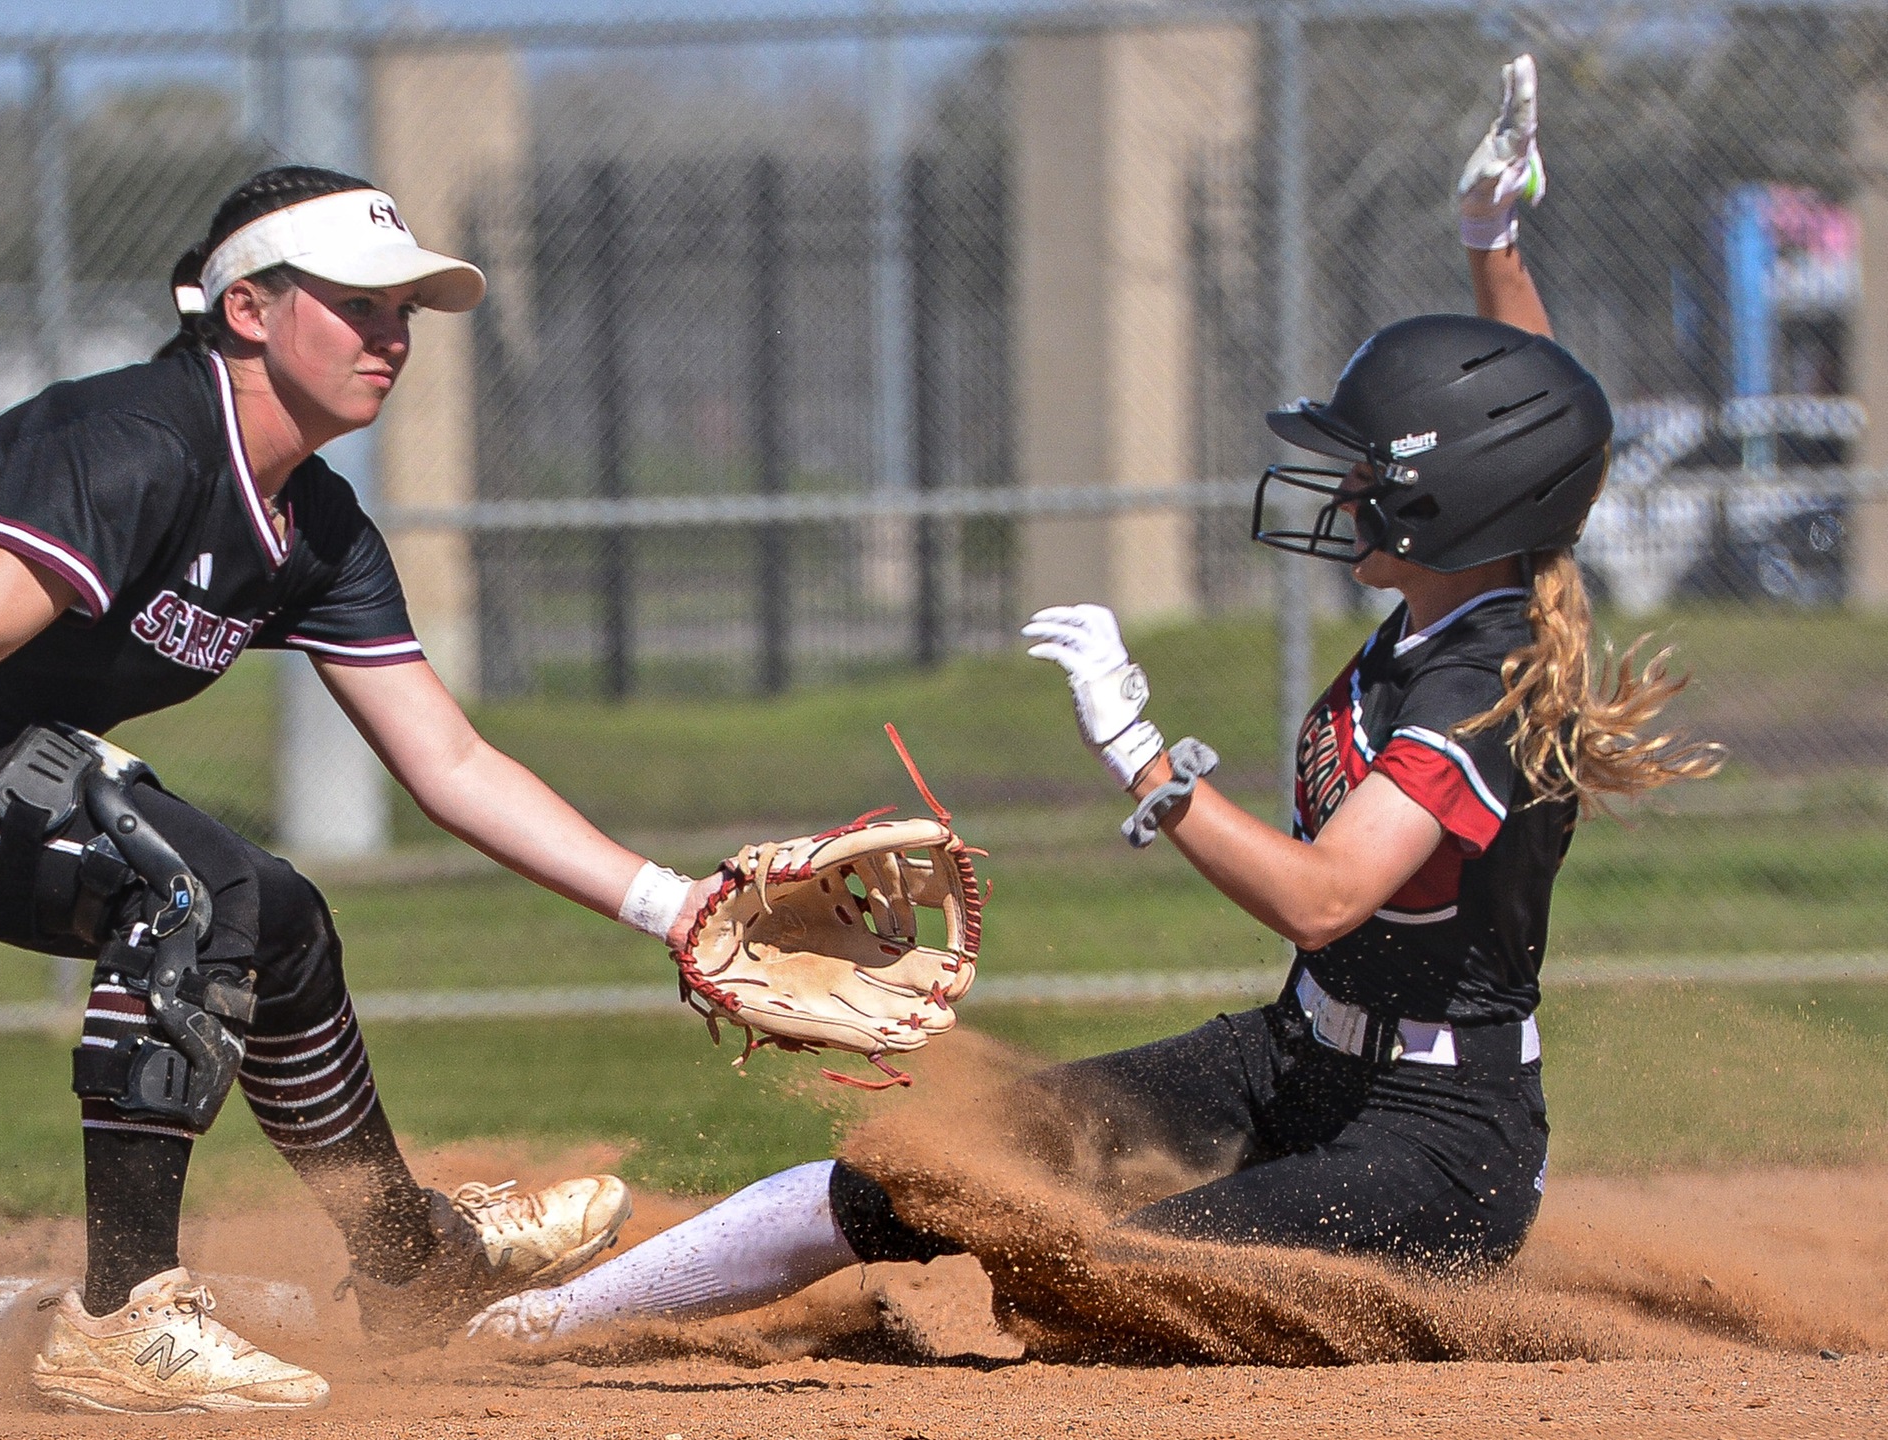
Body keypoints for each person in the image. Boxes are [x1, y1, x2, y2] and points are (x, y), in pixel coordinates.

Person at [466, 55, 1723, 1347]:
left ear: (1452, 506)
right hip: (1295, 1056)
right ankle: (545, 1322)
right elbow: (1536, 410)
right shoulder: (1449, 607)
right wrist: (1488, 233)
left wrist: (1145, 759)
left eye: (1361, 475)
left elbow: (1324, 895)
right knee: (925, 1169)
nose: (1336, 495)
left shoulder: (1481, 686)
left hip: (1432, 1144)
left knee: (1082, 1283)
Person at [0, 166, 718, 1412]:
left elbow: (448, 762)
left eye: (405, 313)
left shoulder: (316, 528)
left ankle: (410, 1260)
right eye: (356, 304)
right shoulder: (139, 445)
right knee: (188, 887)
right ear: (248, 310)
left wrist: (677, 910)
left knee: (270, 913)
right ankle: (123, 1318)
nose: (390, 336)